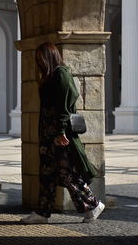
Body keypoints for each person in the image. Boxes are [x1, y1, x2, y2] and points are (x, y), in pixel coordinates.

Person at [20, 42, 105, 224]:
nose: (39, 62)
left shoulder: (61, 74)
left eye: (41, 58)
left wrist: (60, 132)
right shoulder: (50, 76)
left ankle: (93, 204)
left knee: (68, 173)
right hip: (48, 136)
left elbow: (65, 107)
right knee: (47, 174)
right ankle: (42, 213)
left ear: (50, 56)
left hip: (60, 137)